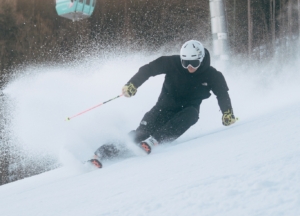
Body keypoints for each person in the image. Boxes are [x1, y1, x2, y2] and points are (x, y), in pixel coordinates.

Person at [89, 40, 236, 168]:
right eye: (186, 63)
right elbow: (148, 70)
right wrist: (132, 84)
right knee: (140, 135)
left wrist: (227, 113)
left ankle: (155, 141)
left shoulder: (213, 75)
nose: (190, 67)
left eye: (194, 63)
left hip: (185, 113)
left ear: (201, 59)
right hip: (162, 109)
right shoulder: (172, 63)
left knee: (192, 114)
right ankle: (101, 154)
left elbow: (222, 94)